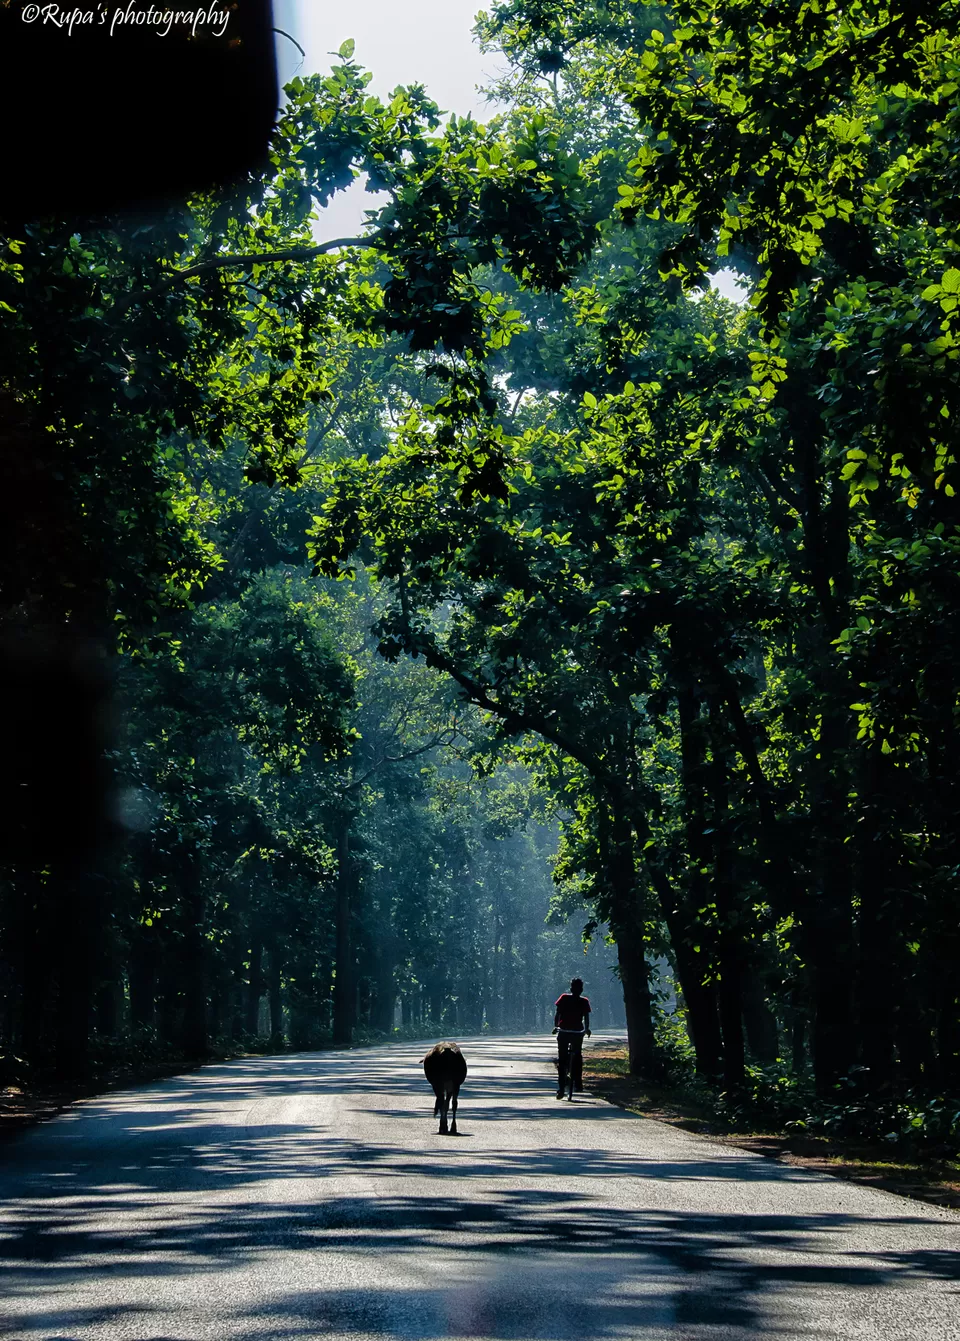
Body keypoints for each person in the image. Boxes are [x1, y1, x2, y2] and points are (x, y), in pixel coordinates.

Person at [552, 977, 591, 1099]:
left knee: (577, 1056)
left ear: (581, 990)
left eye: (579, 989)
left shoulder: (584, 1001)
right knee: (562, 1060)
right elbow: (557, 1014)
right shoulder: (564, 998)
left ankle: (578, 1083)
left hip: (577, 1031)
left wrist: (586, 1028)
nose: (576, 991)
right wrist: (556, 1026)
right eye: (575, 988)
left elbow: (586, 1017)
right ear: (571, 988)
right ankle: (561, 1087)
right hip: (564, 1030)